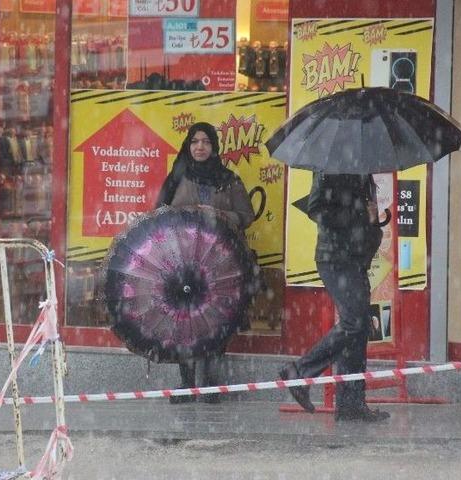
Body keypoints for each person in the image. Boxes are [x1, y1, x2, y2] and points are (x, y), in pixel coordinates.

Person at [156, 122, 255, 404]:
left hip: (219, 265)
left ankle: (210, 383)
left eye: (206, 142)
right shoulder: (177, 177)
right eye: (195, 142)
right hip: (182, 263)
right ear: (189, 146)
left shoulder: (228, 179)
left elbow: (246, 216)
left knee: (216, 320)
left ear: (214, 147)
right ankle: (186, 384)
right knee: (182, 322)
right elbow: (159, 216)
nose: (200, 147)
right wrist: (184, 216)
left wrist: (219, 214)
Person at [279, 173, 389, 422]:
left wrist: (372, 221)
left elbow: (367, 225)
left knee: (360, 329)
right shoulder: (329, 167)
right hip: (335, 258)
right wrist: (359, 216)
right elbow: (316, 209)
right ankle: (300, 370)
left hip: (358, 260)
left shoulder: (365, 171)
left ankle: (351, 404)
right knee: (354, 323)